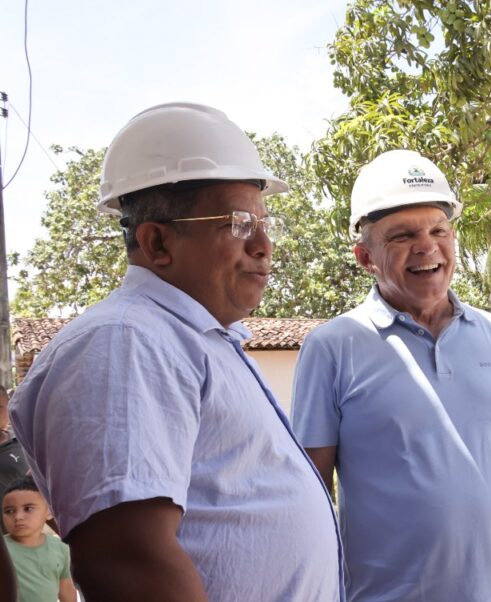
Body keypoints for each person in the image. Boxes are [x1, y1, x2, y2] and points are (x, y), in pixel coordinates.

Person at [10, 103, 343, 602]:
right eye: (238, 222)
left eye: (264, 223)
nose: (264, 245)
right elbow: (129, 560)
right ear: (157, 241)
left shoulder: (195, 340)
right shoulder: (125, 342)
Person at [290, 149, 491, 602]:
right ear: (364, 256)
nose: (426, 246)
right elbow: (311, 489)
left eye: (438, 230)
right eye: (402, 236)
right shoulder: (333, 347)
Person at [2, 477, 74, 602]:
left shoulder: (60, 548)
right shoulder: (2, 549)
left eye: (28, 509)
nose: (18, 517)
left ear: (49, 512)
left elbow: (66, 588)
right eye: (9, 511)